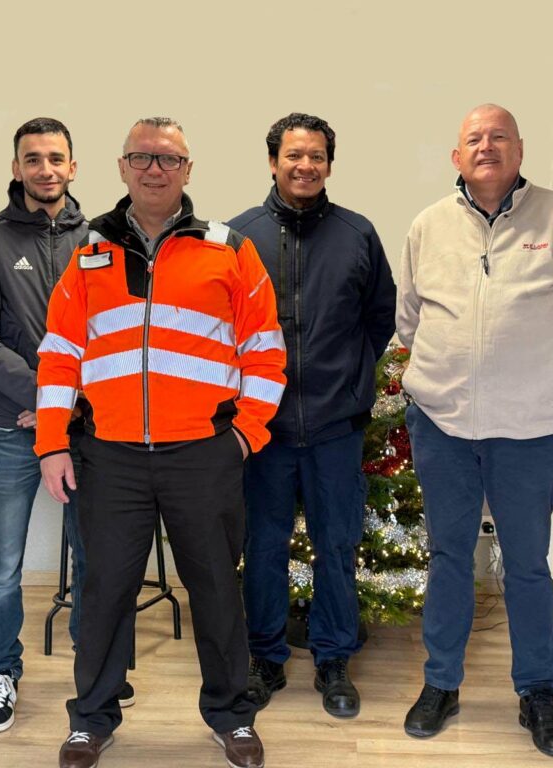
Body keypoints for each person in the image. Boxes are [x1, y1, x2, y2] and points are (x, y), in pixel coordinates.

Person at [37, 117, 286, 768]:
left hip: (202, 453)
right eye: (142, 157)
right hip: (110, 455)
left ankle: (232, 716)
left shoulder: (229, 248)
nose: (155, 169)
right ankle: (91, 720)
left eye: (169, 159)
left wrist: (243, 437)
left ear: (188, 171)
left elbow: (265, 351)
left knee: (214, 589)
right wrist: (52, 443)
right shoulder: (90, 250)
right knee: (105, 591)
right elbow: (60, 352)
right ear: (121, 167)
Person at [396, 104, 553, 757]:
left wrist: (538, 373)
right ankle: (441, 684)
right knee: (450, 557)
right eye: (474, 139)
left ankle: (537, 692)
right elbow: (409, 321)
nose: (486, 147)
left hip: (530, 430)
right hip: (442, 425)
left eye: (499, 137)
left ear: (518, 150)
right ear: (457, 156)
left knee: (529, 565)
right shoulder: (428, 226)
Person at [228, 112, 396, 718]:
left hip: (335, 427)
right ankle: (266, 658)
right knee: (264, 546)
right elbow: (220, 329)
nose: (305, 165)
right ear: (272, 161)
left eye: (317, 155)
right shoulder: (237, 237)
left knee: (337, 545)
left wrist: (351, 378)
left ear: (330, 163)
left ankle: (332, 659)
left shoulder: (357, 234)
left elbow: (381, 319)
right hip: (261, 429)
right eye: (294, 155)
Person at [0, 117, 123, 733]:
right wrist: (47, 397)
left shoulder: (104, 241)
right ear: (16, 168)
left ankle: (93, 668)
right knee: (3, 563)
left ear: (74, 167)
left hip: (89, 430)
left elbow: (118, 335)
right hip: (11, 428)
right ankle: (2, 671)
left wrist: (68, 406)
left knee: (93, 555)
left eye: (56, 158)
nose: (45, 169)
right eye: (33, 159)